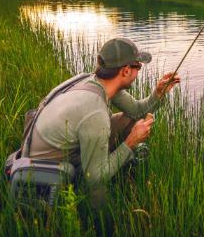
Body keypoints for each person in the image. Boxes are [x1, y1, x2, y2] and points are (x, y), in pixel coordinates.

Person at [25, 37, 180, 204]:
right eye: (138, 67)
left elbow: (136, 111)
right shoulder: (95, 112)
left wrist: (158, 93)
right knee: (98, 186)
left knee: (129, 119)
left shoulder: (94, 81)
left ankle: (107, 164)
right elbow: (94, 178)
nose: (138, 72)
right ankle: (99, 223)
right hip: (49, 170)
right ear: (126, 71)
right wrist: (131, 142)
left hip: (60, 148)